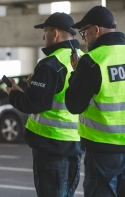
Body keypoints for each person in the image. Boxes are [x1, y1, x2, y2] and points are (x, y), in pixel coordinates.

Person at [65, 5, 125, 197]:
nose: (85, 38)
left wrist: (75, 73)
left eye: (85, 32)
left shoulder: (92, 61)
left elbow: (73, 105)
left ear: (96, 30)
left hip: (102, 155)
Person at [6, 12, 84, 197]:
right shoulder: (83, 58)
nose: (43, 36)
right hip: (76, 142)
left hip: (51, 144)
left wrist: (14, 93)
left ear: (55, 33)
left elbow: (34, 104)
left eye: (46, 31)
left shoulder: (50, 63)